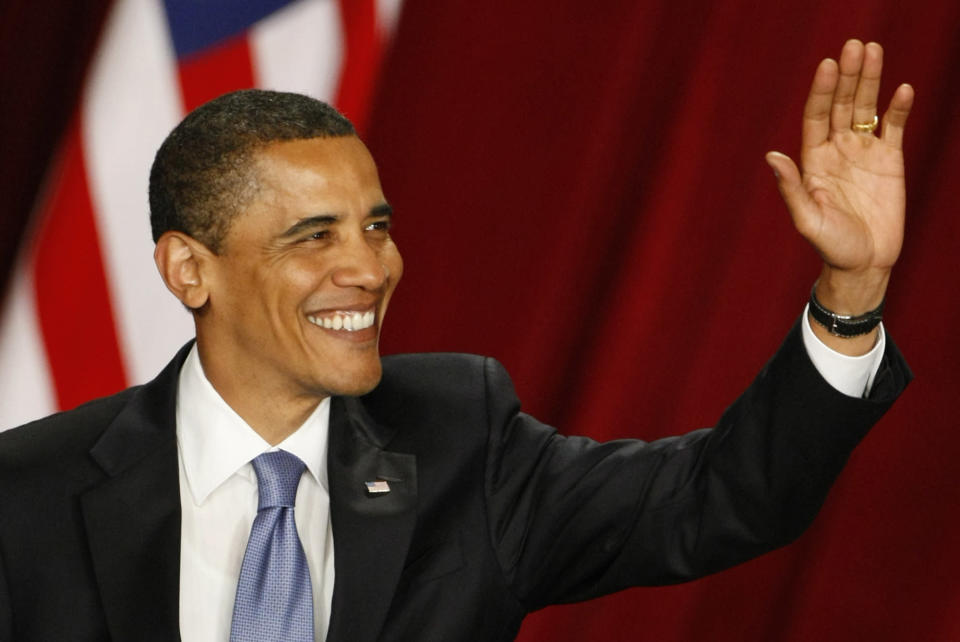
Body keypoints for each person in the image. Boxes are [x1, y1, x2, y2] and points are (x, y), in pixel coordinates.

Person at [0, 39, 913, 642]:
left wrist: (853, 289)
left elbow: (723, 499)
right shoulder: (27, 499)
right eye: (314, 236)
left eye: (376, 226)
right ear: (189, 270)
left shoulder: (459, 443)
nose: (372, 266)